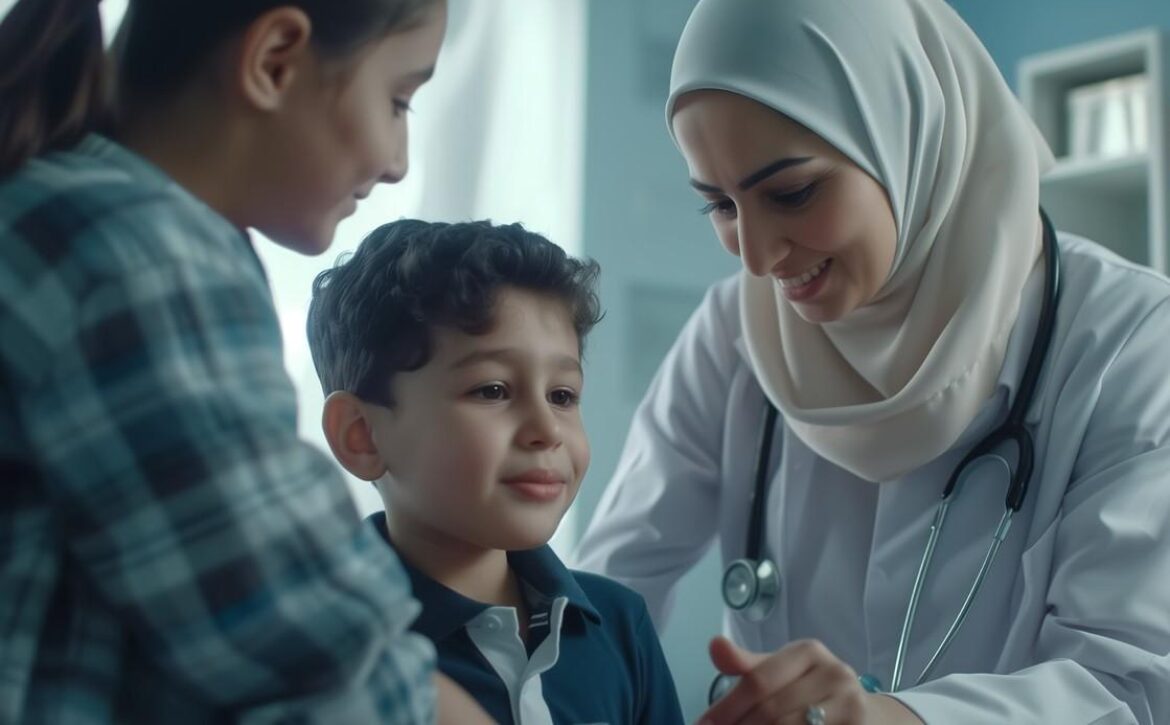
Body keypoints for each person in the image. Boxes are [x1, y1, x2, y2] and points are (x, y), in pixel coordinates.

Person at [575, 0, 1170, 723]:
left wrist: (883, 717)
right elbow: (604, 595)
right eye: (722, 206)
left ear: (905, 132)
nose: (757, 258)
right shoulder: (734, 331)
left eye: (791, 192)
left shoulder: (1132, 341)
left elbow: (1129, 689)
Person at [0, 1, 492, 722]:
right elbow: (315, 648)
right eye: (396, 100)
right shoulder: (140, 258)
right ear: (274, 61)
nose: (398, 162)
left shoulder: (62, 206)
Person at [305, 219, 685, 725]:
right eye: (493, 390)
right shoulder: (332, 650)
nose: (546, 429)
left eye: (563, 395)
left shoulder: (620, 624)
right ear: (362, 434)